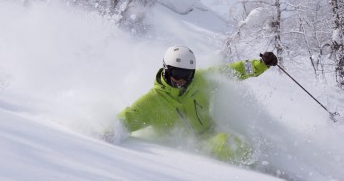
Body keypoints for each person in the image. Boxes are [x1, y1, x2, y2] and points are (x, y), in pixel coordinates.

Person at [107, 45, 278, 165]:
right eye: (176, 72)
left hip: (212, 132)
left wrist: (261, 64)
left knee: (242, 140)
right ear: (166, 70)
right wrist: (109, 132)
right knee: (225, 143)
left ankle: (266, 167)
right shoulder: (153, 101)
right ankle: (253, 172)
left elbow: (235, 70)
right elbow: (128, 118)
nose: (181, 79)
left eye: (186, 73)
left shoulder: (202, 80)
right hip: (192, 147)